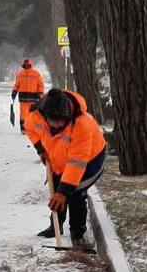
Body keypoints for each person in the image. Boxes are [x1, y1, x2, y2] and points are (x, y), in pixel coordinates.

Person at [26, 87, 106, 248]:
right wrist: (40, 149)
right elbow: (30, 129)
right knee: (56, 189)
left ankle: (78, 234)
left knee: (74, 193)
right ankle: (55, 226)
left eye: (60, 120)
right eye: (52, 121)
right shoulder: (37, 116)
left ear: (67, 115)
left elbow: (77, 162)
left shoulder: (82, 124)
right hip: (59, 159)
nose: (56, 124)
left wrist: (64, 192)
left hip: (91, 160)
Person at [11, 59, 44, 133]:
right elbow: (17, 85)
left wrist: (40, 93)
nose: (26, 66)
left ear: (30, 65)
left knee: (32, 115)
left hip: (33, 98)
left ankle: (32, 128)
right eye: (25, 65)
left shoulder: (36, 74)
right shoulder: (20, 74)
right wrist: (14, 92)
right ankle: (23, 128)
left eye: (27, 65)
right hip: (24, 99)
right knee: (23, 114)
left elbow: (40, 85)